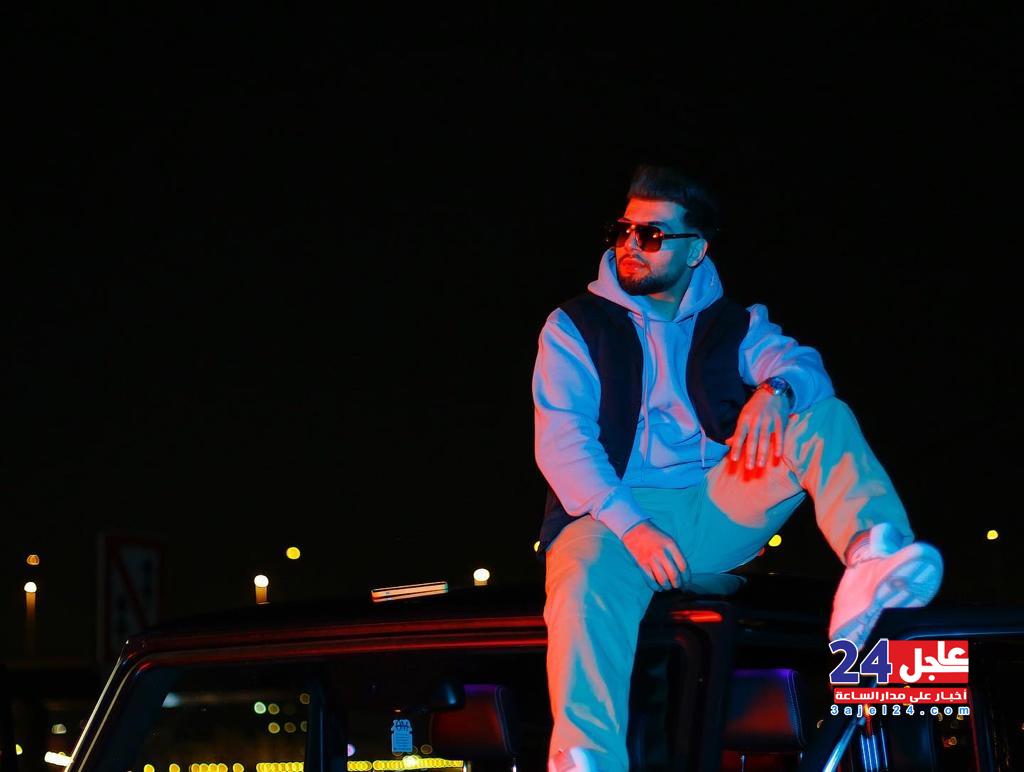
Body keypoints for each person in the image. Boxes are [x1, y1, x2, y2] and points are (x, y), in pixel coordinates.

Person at [532, 164, 944, 772]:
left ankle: (872, 558)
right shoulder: (574, 325)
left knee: (820, 415)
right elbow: (563, 444)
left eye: (651, 235)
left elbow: (805, 366)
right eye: (623, 230)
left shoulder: (734, 323)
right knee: (582, 578)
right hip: (612, 518)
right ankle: (586, 757)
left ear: (695, 250)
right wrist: (634, 526)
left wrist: (775, 391)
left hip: (712, 507)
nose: (629, 245)